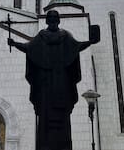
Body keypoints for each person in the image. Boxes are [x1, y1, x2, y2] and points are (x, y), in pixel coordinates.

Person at [8, 10, 100, 150]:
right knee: (46, 114)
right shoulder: (43, 37)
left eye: (54, 18)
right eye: (50, 18)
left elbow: (76, 47)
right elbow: (29, 48)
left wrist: (90, 42)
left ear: (58, 20)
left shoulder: (64, 36)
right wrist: (15, 44)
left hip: (59, 83)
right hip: (47, 84)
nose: (52, 21)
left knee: (60, 114)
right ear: (47, 21)